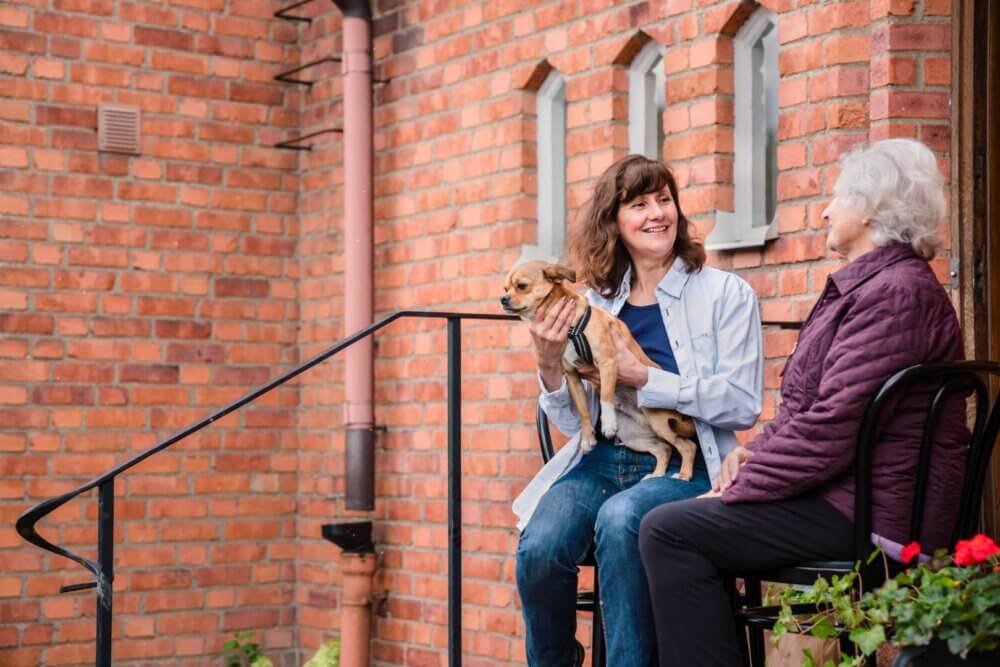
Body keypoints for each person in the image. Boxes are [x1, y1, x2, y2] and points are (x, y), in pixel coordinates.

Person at [637, 138, 968, 666]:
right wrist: (752, 454)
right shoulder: (879, 287)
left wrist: (742, 486)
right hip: (847, 495)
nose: (826, 210)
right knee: (677, 523)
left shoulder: (894, 295)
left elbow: (833, 426)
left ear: (871, 209)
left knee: (670, 530)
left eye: (838, 197)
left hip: (872, 514)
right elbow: (813, 411)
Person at [512, 154, 764, 667]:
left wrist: (646, 377)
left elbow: (742, 404)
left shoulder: (725, 294)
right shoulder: (596, 302)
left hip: (686, 463)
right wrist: (548, 363)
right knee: (540, 545)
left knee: (622, 519)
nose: (657, 214)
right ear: (615, 222)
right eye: (639, 204)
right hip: (602, 460)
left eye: (664, 200)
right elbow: (569, 422)